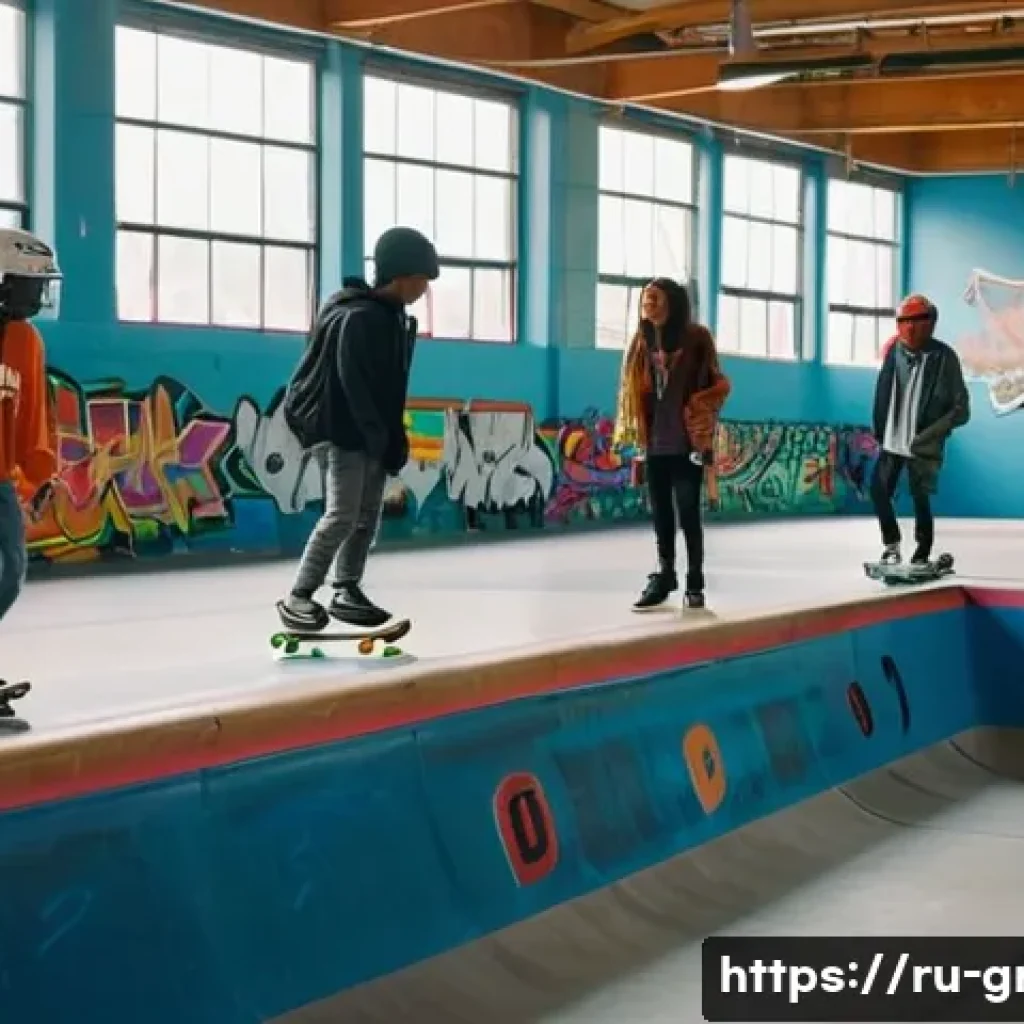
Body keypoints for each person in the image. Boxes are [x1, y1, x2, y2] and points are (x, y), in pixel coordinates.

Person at [276, 226, 439, 632]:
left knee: (367, 516)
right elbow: (355, 386)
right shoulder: (360, 318)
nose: (424, 289)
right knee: (342, 514)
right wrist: (379, 438)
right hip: (341, 431)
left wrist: (392, 438)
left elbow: (389, 389)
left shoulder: (390, 318)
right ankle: (299, 596)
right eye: (421, 279)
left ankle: (346, 589)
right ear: (400, 276)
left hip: (369, 432)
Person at [614, 277, 731, 611]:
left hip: (687, 443)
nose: (648, 304)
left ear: (672, 303)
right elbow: (631, 390)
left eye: (656, 299)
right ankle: (665, 576)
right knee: (661, 516)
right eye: (646, 299)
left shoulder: (697, 338)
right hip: (655, 443)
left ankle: (695, 580)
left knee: (689, 514)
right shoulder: (642, 341)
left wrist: (699, 405)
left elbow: (720, 383)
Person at [870, 293, 970, 567]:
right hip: (892, 440)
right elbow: (882, 392)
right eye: (903, 321)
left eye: (917, 320)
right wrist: (879, 430)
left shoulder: (945, 358)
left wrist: (933, 433)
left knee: (920, 497)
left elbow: (961, 409)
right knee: (878, 490)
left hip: (922, 443)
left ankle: (923, 550)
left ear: (931, 323)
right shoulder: (893, 353)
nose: (910, 327)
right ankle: (891, 545)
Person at [0, 228, 61, 622]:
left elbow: (32, 415)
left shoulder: (26, 340)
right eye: (31, 283)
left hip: (0, 479)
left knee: (11, 571)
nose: (38, 295)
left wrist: (40, 474)